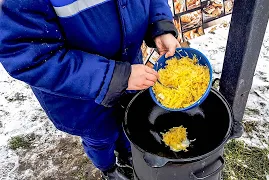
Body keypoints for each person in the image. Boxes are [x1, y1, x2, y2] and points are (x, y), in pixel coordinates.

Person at [0, 0, 180, 179]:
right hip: (81, 95)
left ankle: (128, 155)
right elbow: (27, 53)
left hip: (130, 70)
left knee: (128, 122)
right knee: (100, 138)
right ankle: (108, 168)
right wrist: (113, 76)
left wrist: (159, 24)